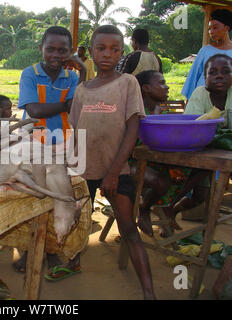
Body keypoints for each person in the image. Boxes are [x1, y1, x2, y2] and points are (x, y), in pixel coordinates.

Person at [69, 25, 155, 299]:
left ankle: (149, 292)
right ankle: (72, 261)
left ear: (121, 53)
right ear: (91, 52)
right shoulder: (82, 90)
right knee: (78, 221)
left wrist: (115, 171)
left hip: (116, 170)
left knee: (128, 228)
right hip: (84, 170)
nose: (108, 54)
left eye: (115, 49)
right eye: (101, 48)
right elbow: (77, 130)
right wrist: (71, 167)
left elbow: (133, 128)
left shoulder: (127, 83)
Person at [13, 26, 87, 277]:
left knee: (58, 193)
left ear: (70, 53)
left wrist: (84, 70)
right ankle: (27, 248)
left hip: (62, 143)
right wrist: (63, 105)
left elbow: (79, 105)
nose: (56, 54)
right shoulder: (30, 74)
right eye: (51, 49)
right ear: (41, 49)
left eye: (62, 50)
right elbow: (33, 111)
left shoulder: (73, 77)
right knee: (34, 194)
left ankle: (52, 247)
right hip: (33, 141)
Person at [159, 54, 232, 229]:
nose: (219, 76)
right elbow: (193, 128)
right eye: (212, 72)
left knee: (200, 194)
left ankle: (171, 209)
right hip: (198, 152)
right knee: (198, 182)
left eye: (226, 71)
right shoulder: (200, 94)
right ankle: (167, 206)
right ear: (205, 78)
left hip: (222, 156)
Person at [132, 70, 191, 237]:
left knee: (198, 172)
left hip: (159, 160)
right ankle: (144, 208)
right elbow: (134, 145)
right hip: (132, 162)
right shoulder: (136, 112)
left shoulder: (164, 112)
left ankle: (166, 206)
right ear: (146, 88)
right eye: (162, 83)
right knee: (162, 183)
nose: (166, 87)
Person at [182, 9, 232, 100]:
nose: (211, 32)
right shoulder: (205, 51)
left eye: (215, 27)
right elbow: (193, 77)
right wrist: (190, 101)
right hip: (203, 100)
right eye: (209, 28)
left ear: (227, 28)